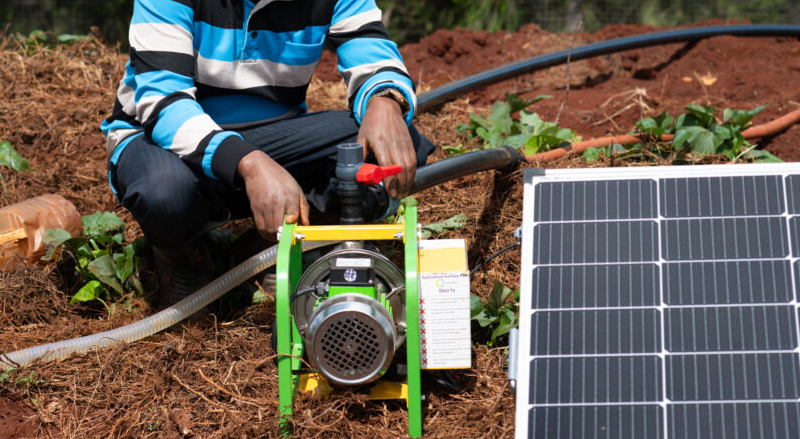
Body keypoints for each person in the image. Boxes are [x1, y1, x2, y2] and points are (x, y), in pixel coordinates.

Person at [101, 0, 435, 305]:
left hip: (273, 138)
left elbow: (370, 45)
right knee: (165, 193)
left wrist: (384, 98)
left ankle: (271, 242)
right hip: (161, 140)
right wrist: (248, 162)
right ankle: (185, 259)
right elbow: (163, 103)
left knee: (395, 145)